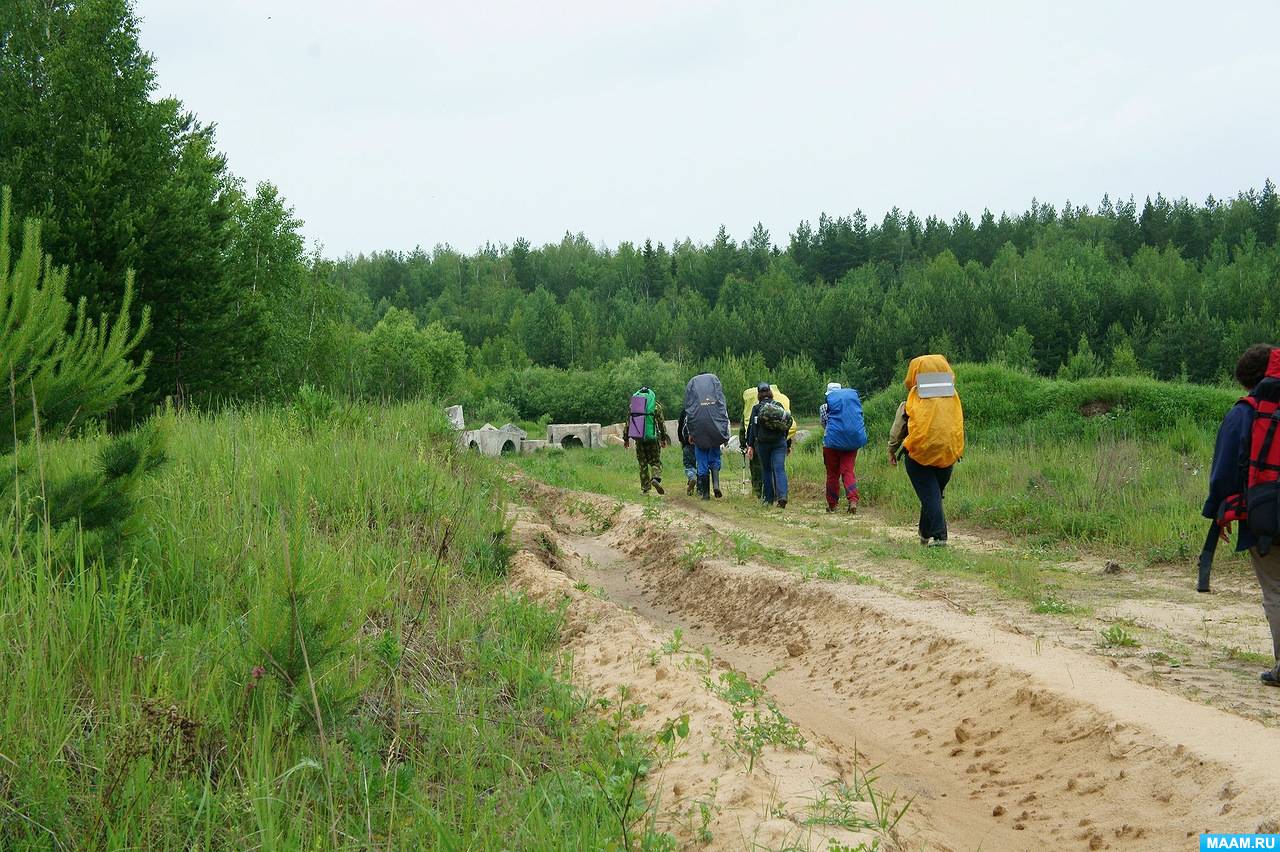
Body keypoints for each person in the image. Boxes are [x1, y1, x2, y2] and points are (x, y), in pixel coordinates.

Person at [1204, 343, 1280, 688]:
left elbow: (1222, 474)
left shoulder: (1243, 413)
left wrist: (1218, 510)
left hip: (1265, 519)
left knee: (1276, 590)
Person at [888, 354, 964, 546]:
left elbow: (898, 428)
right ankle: (924, 534)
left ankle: (940, 537)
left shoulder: (913, 399)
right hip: (948, 454)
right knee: (933, 495)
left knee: (931, 496)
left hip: (919, 454)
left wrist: (892, 450)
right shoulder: (952, 396)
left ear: (915, 373)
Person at [820, 381, 867, 514]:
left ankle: (832, 504)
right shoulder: (853, 405)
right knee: (848, 471)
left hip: (831, 444)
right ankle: (852, 500)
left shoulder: (824, 407)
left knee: (832, 474)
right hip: (851, 443)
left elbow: (824, 424)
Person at [746, 383, 795, 508]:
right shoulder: (778, 406)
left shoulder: (756, 408)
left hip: (763, 444)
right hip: (779, 442)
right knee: (779, 469)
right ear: (770, 393)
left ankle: (768, 499)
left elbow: (752, 428)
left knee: (767, 470)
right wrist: (787, 443)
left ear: (759, 394)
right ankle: (782, 496)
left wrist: (750, 445)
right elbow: (785, 425)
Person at [683, 372, 731, 500]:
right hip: (715, 431)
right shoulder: (716, 399)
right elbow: (724, 415)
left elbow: (689, 417)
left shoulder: (695, 401)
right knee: (715, 458)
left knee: (702, 461)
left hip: (699, 432)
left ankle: (705, 494)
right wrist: (726, 434)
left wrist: (691, 434)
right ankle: (716, 484)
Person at [623, 386, 669, 495]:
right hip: (653, 437)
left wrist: (626, 439)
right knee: (655, 461)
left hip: (639, 438)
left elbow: (628, 424)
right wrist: (663, 438)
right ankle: (656, 478)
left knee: (642, 463)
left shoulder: (633, 406)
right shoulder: (655, 406)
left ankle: (645, 489)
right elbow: (661, 423)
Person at [677, 407, 697, 495]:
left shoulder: (684, 411)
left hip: (686, 444)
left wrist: (682, 442)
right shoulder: (699, 408)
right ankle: (699, 488)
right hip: (699, 444)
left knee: (689, 465)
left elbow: (680, 428)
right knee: (700, 466)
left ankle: (691, 477)